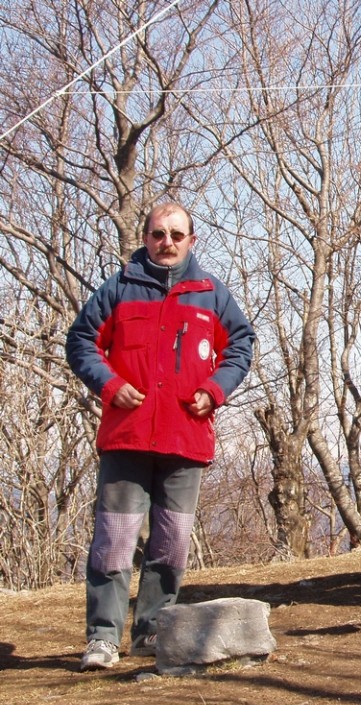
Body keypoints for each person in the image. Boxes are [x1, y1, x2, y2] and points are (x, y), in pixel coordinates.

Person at [66, 202, 255, 670]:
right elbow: (81, 341)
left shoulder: (211, 292)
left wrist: (215, 391)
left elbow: (242, 345)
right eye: (157, 234)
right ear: (146, 238)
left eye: (175, 234)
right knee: (113, 542)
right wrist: (109, 385)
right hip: (126, 436)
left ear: (191, 240)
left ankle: (151, 632)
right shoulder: (119, 287)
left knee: (170, 545)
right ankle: (103, 638)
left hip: (184, 438)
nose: (166, 242)